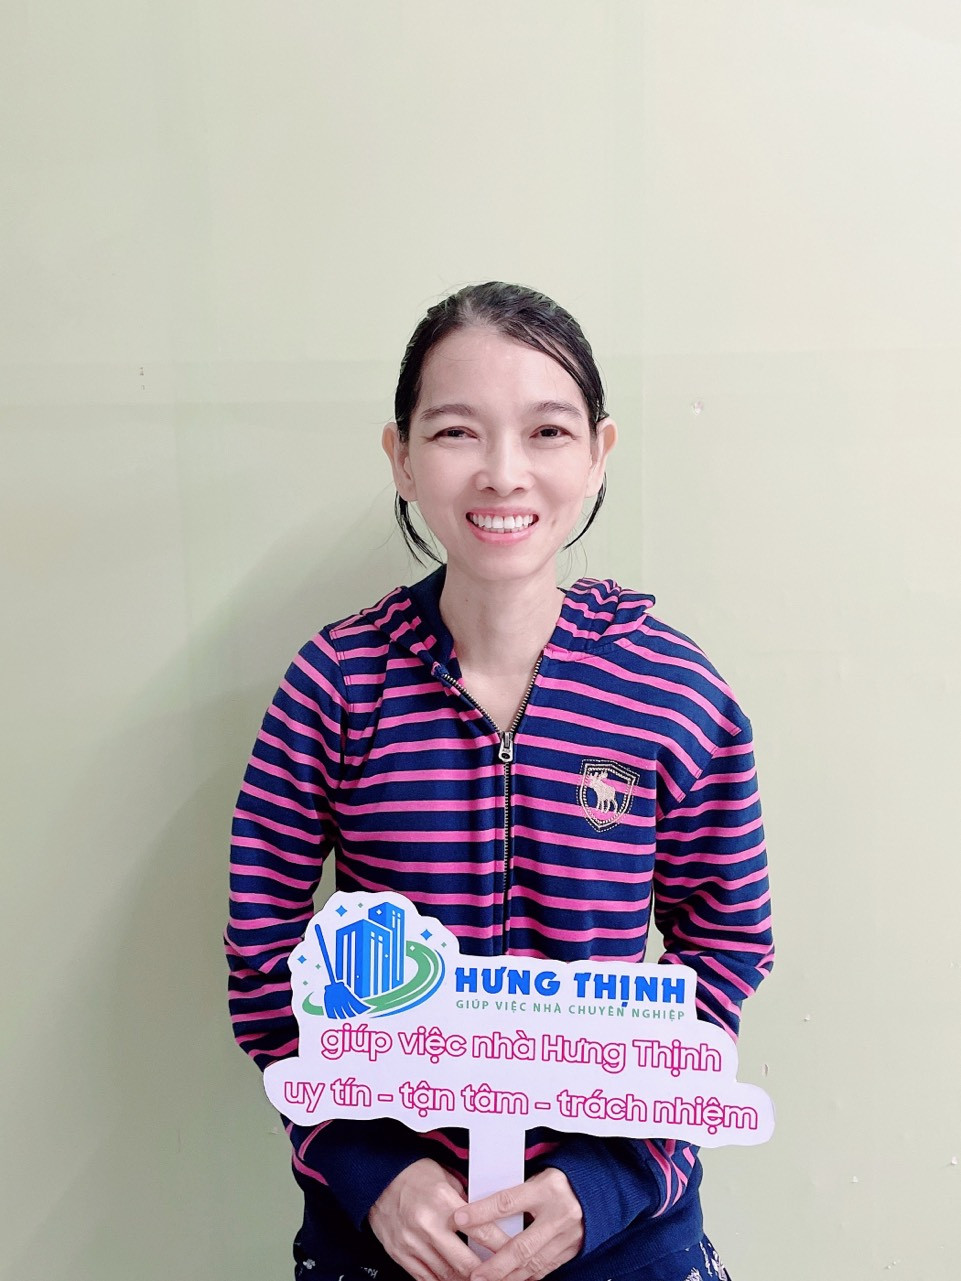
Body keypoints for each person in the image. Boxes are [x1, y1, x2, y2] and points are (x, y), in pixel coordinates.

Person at [225, 282, 774, 1281]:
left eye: (547, 431)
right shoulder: (335, 684)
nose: (503, 473)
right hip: (389, 1238)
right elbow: (263, 957)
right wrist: (370, 1170)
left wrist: (607, 1181)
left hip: (620, 1238)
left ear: (599, 452)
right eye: (455, 432)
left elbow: (725, 945)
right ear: (400, 456)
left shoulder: (674, 691)